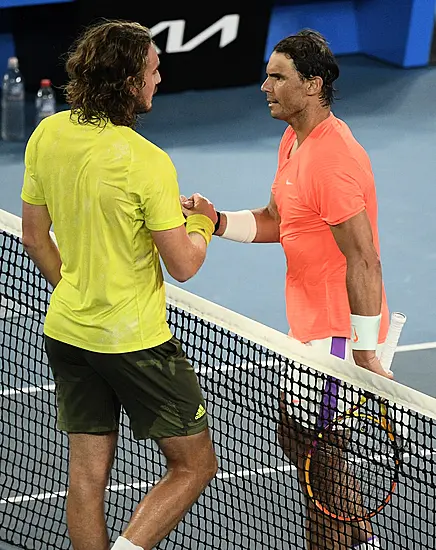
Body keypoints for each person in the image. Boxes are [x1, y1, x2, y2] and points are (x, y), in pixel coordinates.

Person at [182, 30, 391, 550]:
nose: (264, 86)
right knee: (299, 437)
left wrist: (363, 349)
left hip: (340, 333)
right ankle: (353, 533)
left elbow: (364, 257)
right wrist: (218, 219)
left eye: (278, 77)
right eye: (267, 74)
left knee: (320, 453)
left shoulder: (333, 159)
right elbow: (282, 219)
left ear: (313, 85)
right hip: (310, 325)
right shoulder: (294, 139)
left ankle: (342, 542)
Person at [20, 19, 218, 550]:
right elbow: (184, 265)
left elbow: (35, 237)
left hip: (67, 332)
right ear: (130, 82)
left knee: (85, 478)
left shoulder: (47, 132)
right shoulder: (148, 162)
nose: (160, 78)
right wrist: (204, 222)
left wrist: (76, 291)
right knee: (194, 466)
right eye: (152, 70)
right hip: (135, 343)